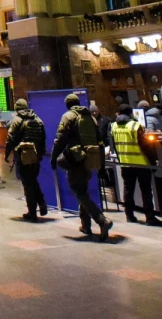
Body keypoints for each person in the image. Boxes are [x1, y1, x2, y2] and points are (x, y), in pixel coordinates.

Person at [51, 93, 112, 240]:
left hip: (76, 159)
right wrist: (102, 166)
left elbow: (61, 139)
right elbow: (100, 142)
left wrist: (54, 157)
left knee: (79, 192)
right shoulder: (91, 118)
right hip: (90, 159)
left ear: (68, 104)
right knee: (82, 190)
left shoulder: (68, 116)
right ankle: (85, 225)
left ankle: (102, 220)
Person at [109, 104, 162, 227]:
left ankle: (129, 215)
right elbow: (144, 145)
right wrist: (152, 161)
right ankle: (150, 217)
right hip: (141, 163)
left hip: (125, 163)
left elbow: (114, 146)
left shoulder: (113, 126)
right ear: (130, 113)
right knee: (146, 190)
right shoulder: (135, 126)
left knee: (128, 190)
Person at [5, 99, 47, 221]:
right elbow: (43, 138)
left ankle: (32, 212)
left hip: (23, 155)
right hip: (36, 155)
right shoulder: (37, 119)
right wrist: (41, 153)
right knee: (33, 180)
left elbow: (10, 138)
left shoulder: (17, 120)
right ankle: (42, 203)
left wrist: (7, 154)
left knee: (27, 184)